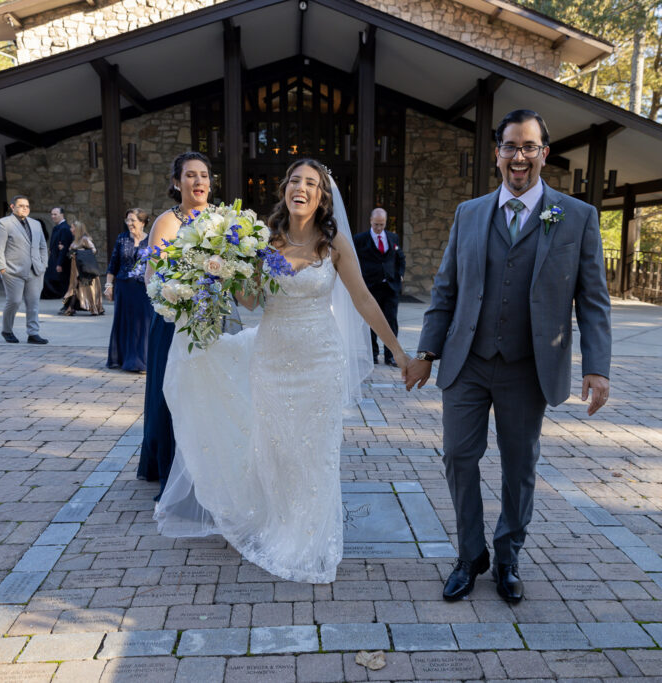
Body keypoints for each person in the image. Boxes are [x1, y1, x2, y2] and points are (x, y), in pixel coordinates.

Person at [155, 159, 409, 584]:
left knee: (316, 452)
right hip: (271, 359)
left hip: (321, 360)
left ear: (322, 196)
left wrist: (399, 353)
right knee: (278, 449)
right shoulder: (264, 242)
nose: (302, 188)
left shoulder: (336, 244)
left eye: (312, 183)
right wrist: (225, 266)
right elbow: (252, 302)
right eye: (296, 181)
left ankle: (311, 539)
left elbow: (364, 299)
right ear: (285, 189)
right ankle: (279, 526)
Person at [405, 109, 612, 603]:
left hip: (528, 366)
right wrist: (427, 350)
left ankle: (508, 553)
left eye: (529, 147)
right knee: (458, 456)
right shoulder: (469, 213)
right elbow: (446, 288)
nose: (519, 157)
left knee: (519, 466)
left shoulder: (575, 216)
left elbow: (593, 298)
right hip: (468, 360)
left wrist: (597, 366)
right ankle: (470, 553)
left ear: (544, 153)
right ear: (496, 153)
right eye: (510, 147)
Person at [137, 152, 219, 493]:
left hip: (212, 319)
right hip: (174, 321)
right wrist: (177, 298)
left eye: (204, 175)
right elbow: (151, 278)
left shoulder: (223, 221)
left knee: (210, 393)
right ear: (176, 182)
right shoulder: (166, 223)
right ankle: (172, 468)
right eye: (190, 175)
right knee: (171, 392)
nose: (198, 181)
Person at [0, 195, 49, 344]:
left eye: (27, 206)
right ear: (12, 207)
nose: (25, 208)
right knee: (14, 301)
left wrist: (44, 265)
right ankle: (7, 330)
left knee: (33, 303)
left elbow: (43, 246)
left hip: (35, 270)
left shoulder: (36, 224)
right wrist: (2, 268)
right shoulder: (3, 223)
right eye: (21, 205)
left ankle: (33, 333)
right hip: (12, 271)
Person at [355, 207, 405, 366]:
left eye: (382, 225)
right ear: (370, 221)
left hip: (390, 287)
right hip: (370, 287)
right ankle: (373, 355)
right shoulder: (360, 239)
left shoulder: (393, 237)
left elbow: (400, 258)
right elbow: (354, 262)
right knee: (371, 322)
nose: (378, 228)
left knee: (391, 321)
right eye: (376, 224)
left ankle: (390, 356)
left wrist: (400, 275)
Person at [105, 208, 150, 372]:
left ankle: (141, 360)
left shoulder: (151, 239)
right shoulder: (122, 239)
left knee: (143, 323)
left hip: (144, 288)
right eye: (127, 220)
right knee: (124, 322)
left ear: (143, 222)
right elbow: (113, 263)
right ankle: (122, 359)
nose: (129, 224)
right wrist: (109, 285)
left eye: (133, 220)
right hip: (123, 287)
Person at [59, 220, 105, 316]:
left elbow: (93, 250)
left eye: (72, 227)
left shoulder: (85, 239)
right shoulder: (76, 240)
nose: (71, 229)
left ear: (77, 229)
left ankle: (89, 307)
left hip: (84, 269)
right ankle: (70, 308)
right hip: (75, 269)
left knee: (83, 287)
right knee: (75, 287)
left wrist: (79, 252)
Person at [43, 207, 73, 299]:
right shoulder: (57, 227)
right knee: (53, 281)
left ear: (62, 215)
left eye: (55, 214)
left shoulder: (64, 228)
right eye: (52, 214)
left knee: (63, 285)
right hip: (55, 259)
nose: (53, 216)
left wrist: (59, 263)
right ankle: (65, 304)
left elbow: (64, 248)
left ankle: (67, 305)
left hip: (61, 261)